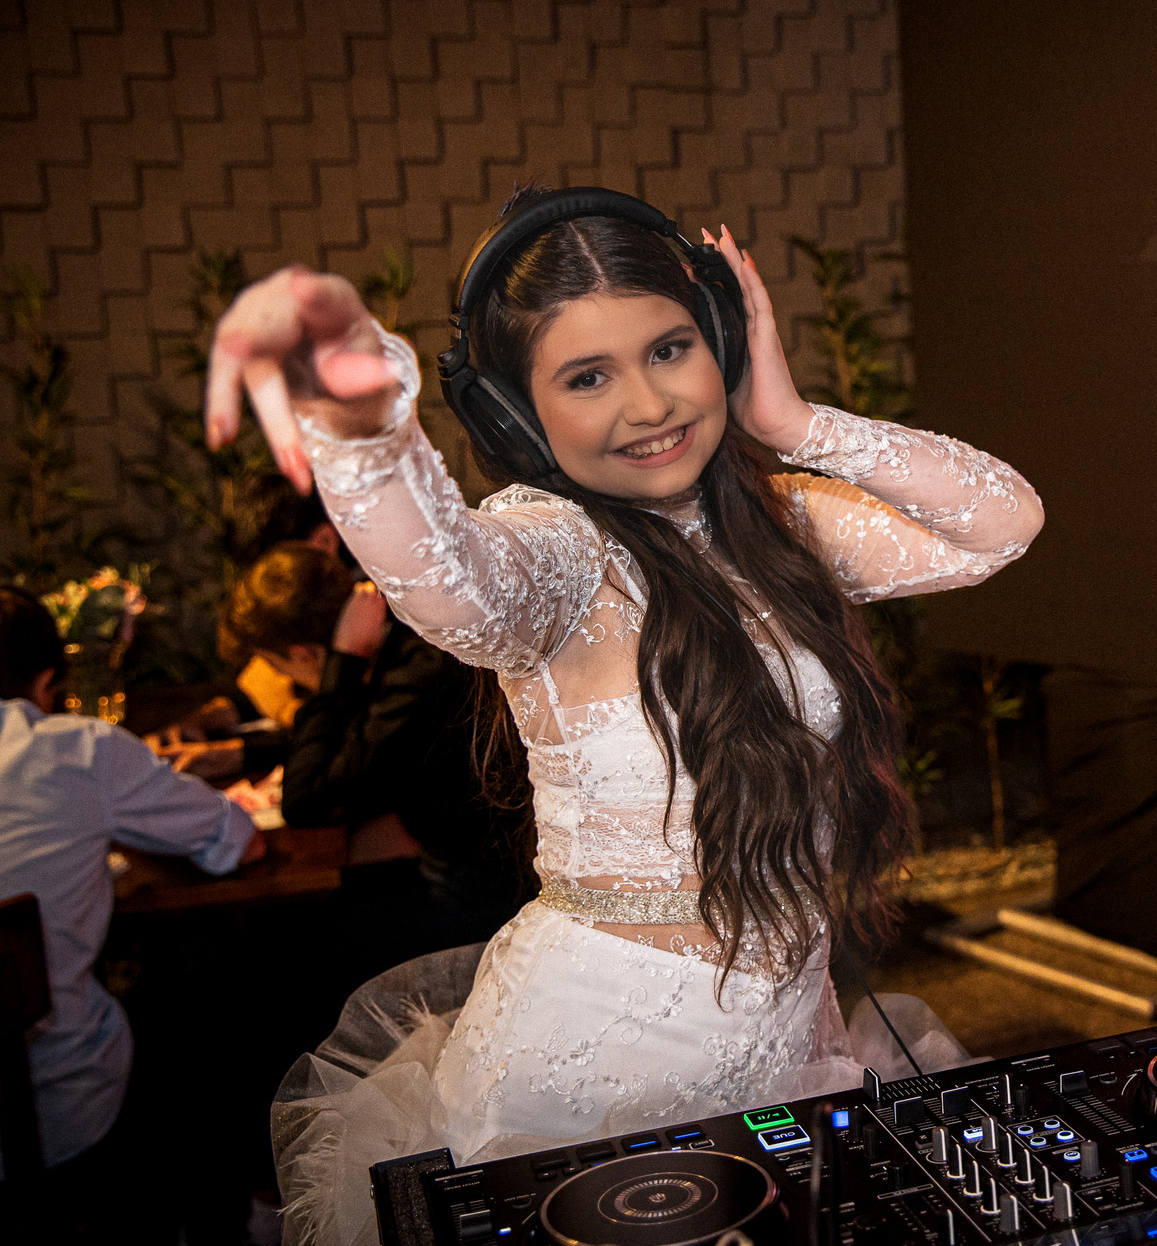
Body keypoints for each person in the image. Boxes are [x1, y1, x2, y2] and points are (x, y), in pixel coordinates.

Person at [206, 186, 1041, 1240]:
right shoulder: (556, 549)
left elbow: (1001, 524)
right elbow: (447, 582)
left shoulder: (778, 525)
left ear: (722, 342)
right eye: (588, 376)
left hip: (785, 1041)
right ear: (514, 413)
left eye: (671, 349)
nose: (648, 405)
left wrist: (791, 422)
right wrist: (364, 418)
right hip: (591, 1078)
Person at [0, 587, 262, 1218]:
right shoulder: (73, 750)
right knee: (197, 1002)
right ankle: (225, 1215)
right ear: (47, 681)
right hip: (54, 1112)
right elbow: (238, 841)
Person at [219, 540, 531, 965]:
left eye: (278, 668)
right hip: (468, 868)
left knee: (283, 948)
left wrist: (342, 664)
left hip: (490, 895)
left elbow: (306, 799)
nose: (285, 682)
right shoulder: (405, 637)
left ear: (303, 654)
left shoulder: (417, 668)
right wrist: (240, 753)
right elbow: (364, 735)